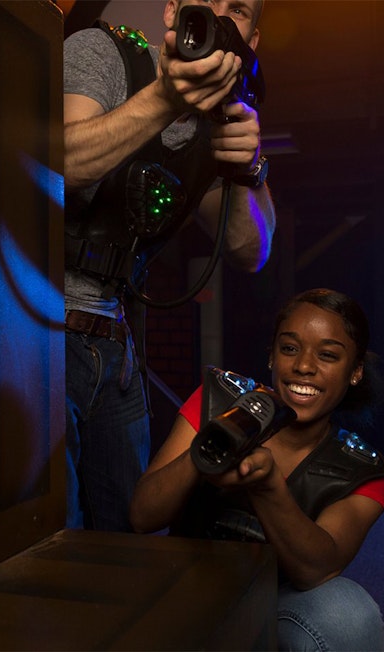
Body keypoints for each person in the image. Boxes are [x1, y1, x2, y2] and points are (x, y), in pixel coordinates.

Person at [63, 0, 277, 531]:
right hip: (37, 333)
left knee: (125, 534)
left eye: (240, 10)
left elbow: (252, 251)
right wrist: (163, 98)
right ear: (173, 11)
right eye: (207, 1)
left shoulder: (213, 129)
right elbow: (60, 164)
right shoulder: (103, 51)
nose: (221, 16)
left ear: (252, 41)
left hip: (115, 347)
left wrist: (249, 170)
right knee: (49, 533)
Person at [130, 288, 384, 651]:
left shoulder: (360, 471)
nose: (303, 366)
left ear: (355, 372)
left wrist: (268, 487)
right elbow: (142, 516)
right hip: (185, 587)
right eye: (289, 348)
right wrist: (211, 447)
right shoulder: (216, 399)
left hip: (276, 603)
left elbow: (316, 569)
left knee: (350, 615)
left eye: (328, 355)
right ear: (271, 355)